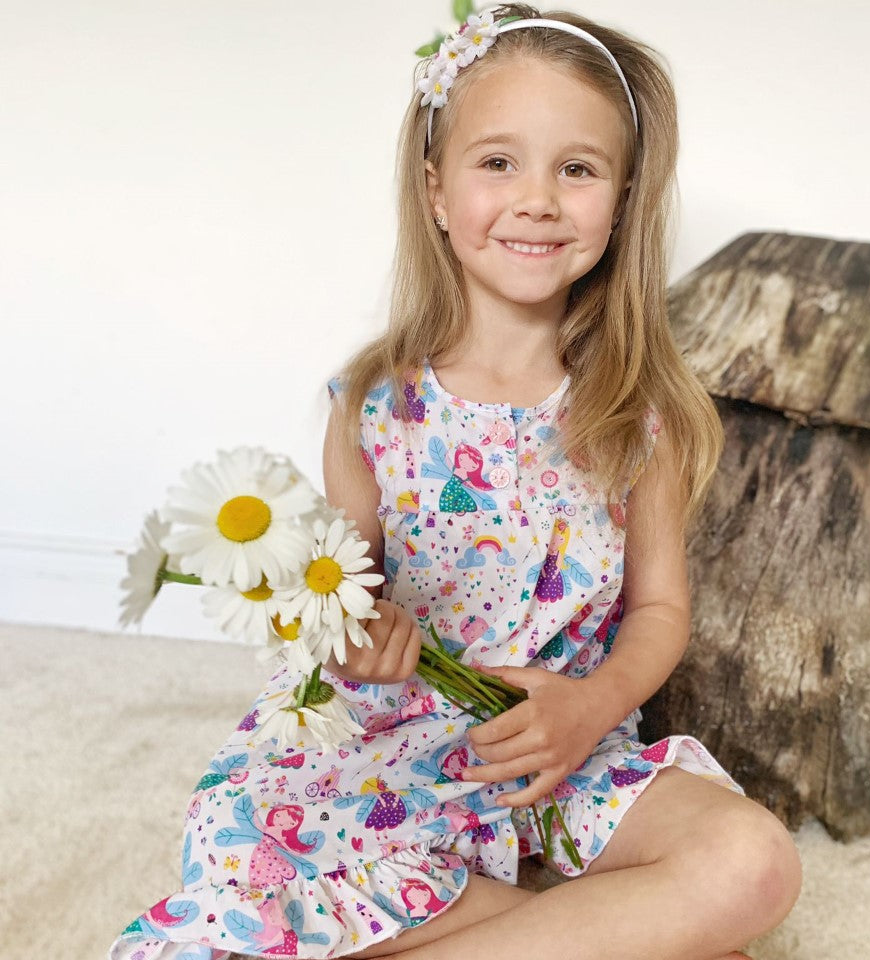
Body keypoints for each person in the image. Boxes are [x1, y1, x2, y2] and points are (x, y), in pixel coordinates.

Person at [109, 5, 801, 959]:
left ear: (622, 200)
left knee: (755, 864)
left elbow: (659, 611)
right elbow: (341, 600)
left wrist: (588, 709)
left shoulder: (640, 417)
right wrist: (363, 638)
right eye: (498, 162)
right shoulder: (372, 404)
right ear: (436, 190)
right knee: (242, 843)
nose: (538, 199)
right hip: (392, 751)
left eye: (578, 169)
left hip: (557, 748)